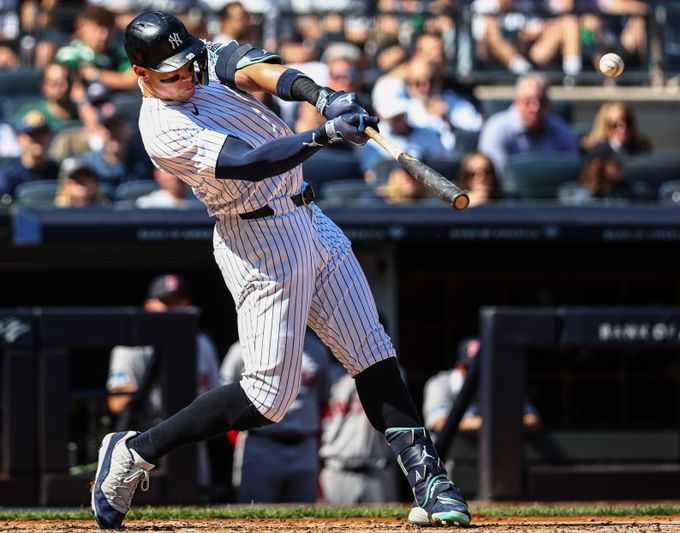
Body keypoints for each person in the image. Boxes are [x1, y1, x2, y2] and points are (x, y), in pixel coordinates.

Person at [91, 11, 470, 530]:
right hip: (258, 240)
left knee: (372, 352)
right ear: (141, 74)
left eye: (187, 66)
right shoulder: (161, 128)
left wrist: (322, 95)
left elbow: (257, 71)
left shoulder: (199, 60)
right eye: (169, 74)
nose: (184, 78)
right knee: (268, 398)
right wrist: (324, 135)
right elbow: (252, 162)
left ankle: (432, 484)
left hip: (308, 217)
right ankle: (136, 449)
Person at [106, 274, 221, 494]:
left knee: (196, 503)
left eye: (178, 301)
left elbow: (216, 395)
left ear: (188, 305)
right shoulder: (131, 347)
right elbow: (116, 403)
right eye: (165, 302)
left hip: (191, 441)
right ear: (149, 306)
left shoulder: (202, 344)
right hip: (147, 438)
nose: (172, 308)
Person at [219, 331, 330, 503]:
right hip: (260, 445)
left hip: (304, 446)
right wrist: (239, 441)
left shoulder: (317, 349)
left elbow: (322, 404)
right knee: (254, 518)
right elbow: (225, 403)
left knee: (305, 520)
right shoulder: (242, 349)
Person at [423, 336, 540, 433]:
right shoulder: (440, 384)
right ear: (459, 366)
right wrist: (498, 423)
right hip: (445, 457)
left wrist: (474, 423)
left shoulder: (500, 384)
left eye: (482, 369)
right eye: (470, 369)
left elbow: (532, 420)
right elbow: (440, 423)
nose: (475, 375)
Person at [320, 363, 399, 505]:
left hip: (376, 468)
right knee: (334, 524)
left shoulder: (386, 371)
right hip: (337, 467)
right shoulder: (329, 375)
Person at [478, 73, 577, 174]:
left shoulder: (562, 130)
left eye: (542, 101)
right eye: (528, 101)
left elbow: (571, 172)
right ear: (517, 102)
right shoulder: (496, 129)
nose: (535, 108)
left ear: (549, 104)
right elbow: (496, 176)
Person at [358, 98, 448, 183]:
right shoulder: (373, 140)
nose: (399, 118)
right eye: (394, 117)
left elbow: (443, 168)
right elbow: (370, 177)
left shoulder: (429, 133)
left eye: (401, 114)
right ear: (379, 114)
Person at [54, 5, 138, 91]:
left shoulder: (118, 55)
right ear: (82, 27)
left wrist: (95, 74)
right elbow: (67, 79)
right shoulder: (69, 52)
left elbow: (132, 81)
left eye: (109, 29)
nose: (104, 36)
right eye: (98, 29)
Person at [0, 110, 59, 198]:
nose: (38, 140)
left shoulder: (59, 172)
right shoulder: (7, 175)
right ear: (19, 139)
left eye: (43, 134)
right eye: (32, 135)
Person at [567, 144, 634, 205]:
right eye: (617, 163)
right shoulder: (581, 197)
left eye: (621, 163)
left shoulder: (628, 191)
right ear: (600, 165)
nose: (621, 167)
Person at [579, 101, 652, 156]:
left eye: (628, 122)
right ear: (605, 127)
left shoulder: (642, 148)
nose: (623, 129)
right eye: (615, 124)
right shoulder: (592, 151)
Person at [135, 168, 205, 209]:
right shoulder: (147, 205)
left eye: (180, 170)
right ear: (157, 174)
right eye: (169, 171)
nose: (175, 177)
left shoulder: (203, 203)